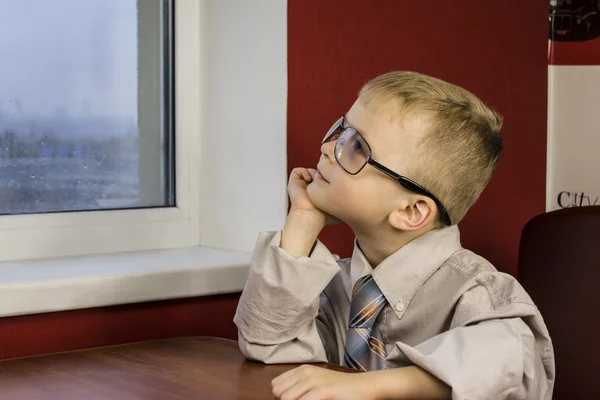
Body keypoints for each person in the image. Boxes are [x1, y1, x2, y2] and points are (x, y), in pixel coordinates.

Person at [234, 71, 555, 399]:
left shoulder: (476, 292)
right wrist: (301, 220)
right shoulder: (329, 285)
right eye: (340, 129)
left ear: (411, 212)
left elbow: (510, 360)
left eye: (357, 147)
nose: (327, 147)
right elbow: (265, 345)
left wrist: (365, 388)